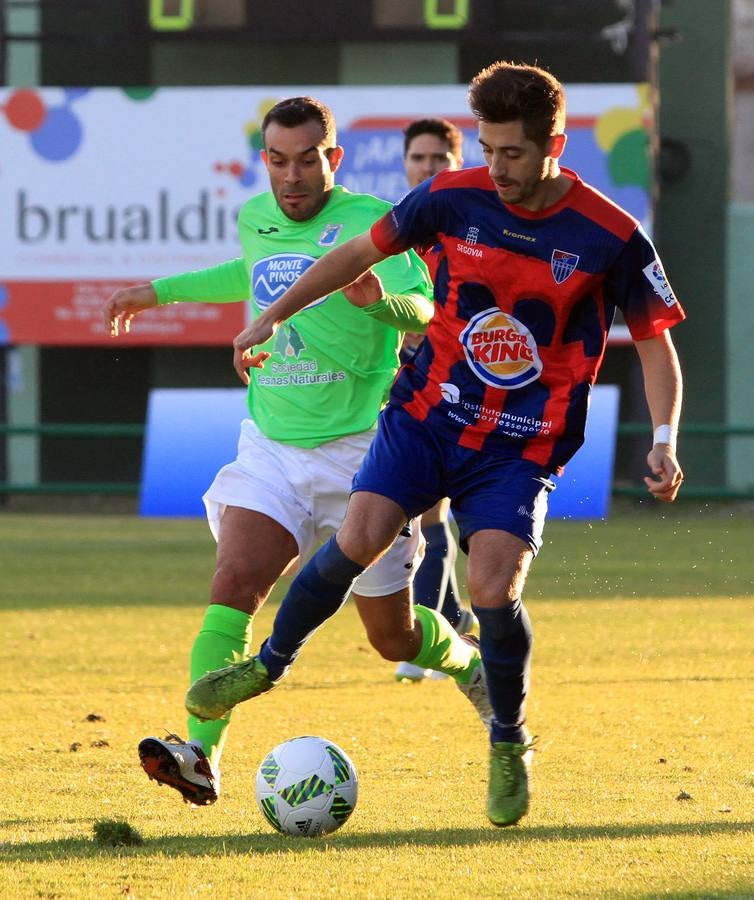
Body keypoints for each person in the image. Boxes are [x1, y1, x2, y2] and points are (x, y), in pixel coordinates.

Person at [185, 62, 686, 828]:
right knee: (358, 535)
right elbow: (354, 256)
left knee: (492, 590)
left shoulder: (611, 234)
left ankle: (509, 740)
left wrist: (663, 438)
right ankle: (266, 666)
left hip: (521, 445)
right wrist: (272, 314)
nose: (498, 168)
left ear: (555, 142)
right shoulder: (452, 197)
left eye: (513, 153)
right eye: (487, 150)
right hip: (425, 417)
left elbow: (654, 344)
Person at [104, 96, 492, 808]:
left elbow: (426, 309)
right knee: (234, 584)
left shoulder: (374, 221)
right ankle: (199, 754)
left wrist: (378, 301)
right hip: (273, 452)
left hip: (365, 460)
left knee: (394, 639)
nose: (290, 176)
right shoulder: (257, 215)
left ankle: (469, 662)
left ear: (331, 159)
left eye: (305, 160)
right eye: (276, 160)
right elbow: (244, 273)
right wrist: (152, 291)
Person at [395, 117, 474, 683]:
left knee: (436, 512)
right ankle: (452, 621)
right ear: (405, 163)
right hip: (402, 377)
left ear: (456, 162)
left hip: (463, 380)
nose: (426, 167)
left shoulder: (470, 224)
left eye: (437, 160)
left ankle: (426, 635)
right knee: (411, 511)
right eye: (418, 158)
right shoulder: (396, 227)